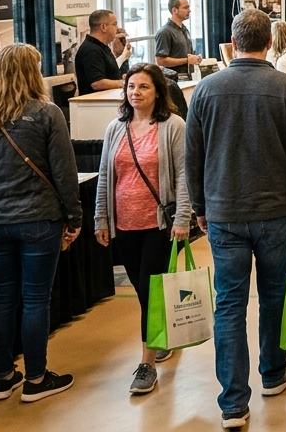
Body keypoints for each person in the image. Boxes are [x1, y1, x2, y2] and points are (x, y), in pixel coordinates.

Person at [185, 8, 286, 430]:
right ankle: (273, 372)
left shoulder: (206, 90)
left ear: (233, 42)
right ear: (269, 43)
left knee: (229, 303)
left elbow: (193, 157)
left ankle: (232, 403)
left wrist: (199, 208)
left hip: (224, 212)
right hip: (276, 212)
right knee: (274, 294)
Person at [0, 44, 80, 404]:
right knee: (35, 300)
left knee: (2, 297)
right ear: (31, 73)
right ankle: (36, 379)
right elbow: (64, 172)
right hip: (38, 219)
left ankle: (3, 378)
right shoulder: (46, 113)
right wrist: (74, 217)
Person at [93, 64, 192, 394]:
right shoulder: (115, 128)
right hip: (124, 223)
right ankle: (161, 335)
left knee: (150, 291)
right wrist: (101, 218)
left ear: (158, 92)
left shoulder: (173, 126)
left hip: (158, 224)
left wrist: (182, 218)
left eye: (144, 87)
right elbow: (105, 176)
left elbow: (184, 175)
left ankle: (146, 364)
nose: (135, 92)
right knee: (142, 290)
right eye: (131, 86)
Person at [75, 9, 131, 95]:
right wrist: (124, 83)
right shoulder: (91, 50)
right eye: (115, 24)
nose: (117, 29)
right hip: (97, 101)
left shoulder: (102, 47)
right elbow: (97, 83)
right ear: (103, 27)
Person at [154, 0, 201, 79]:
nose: (189, 10)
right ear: (174, 10)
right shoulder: (164, 32)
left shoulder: (184, 29)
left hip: (188, 76)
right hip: (174, 79)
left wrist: (195, 58)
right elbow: (161, 61)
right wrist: (187, 60)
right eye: (185, 8)